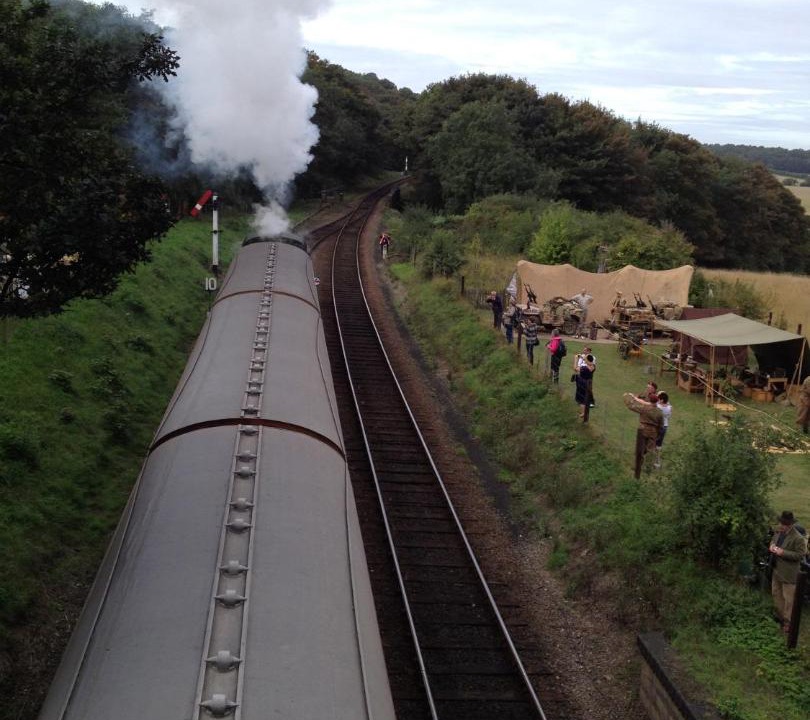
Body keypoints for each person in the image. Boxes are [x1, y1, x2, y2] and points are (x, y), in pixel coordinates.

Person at [769, 511, 808, 635]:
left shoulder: (798, 538)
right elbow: (773, 541)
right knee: (776, 594)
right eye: (782, 523)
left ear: (790, 524)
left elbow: (800, 554)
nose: (782, 525)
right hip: (776, 569)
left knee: (789, 599)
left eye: (785, 524)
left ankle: (788, 622)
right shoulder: (778, 532)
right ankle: (780, 616)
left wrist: (782, 553)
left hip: (789, 573)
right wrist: (772, 547)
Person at [623, 392, 664, 478]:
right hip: (653, 432)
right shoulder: (660, 412)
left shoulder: (644, 408)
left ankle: (637, 466)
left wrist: (628, 400)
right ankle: (648, 468)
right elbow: (661, 426)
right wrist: (658, 434)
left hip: (643, 430)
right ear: (657, 402)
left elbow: (631, 407)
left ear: (649, 400)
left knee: (640, 449)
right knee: (650, 450)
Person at [574, 354, 595, 422]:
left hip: (582, 383)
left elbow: (575, 368)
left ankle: (583, 413)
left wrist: (576, 359)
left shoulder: (584, 368)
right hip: (588, 383)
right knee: (587, 397)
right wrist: (584, 359)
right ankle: (588, 407)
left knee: (581, 399)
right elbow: (589, 363)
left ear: (587, 360)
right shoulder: (593, 367)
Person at [654, 392, 671, 468]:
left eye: (659, 399)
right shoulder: (670, 407)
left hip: (658, 426)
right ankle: (657, 462)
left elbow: (655, 403)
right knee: (659, 444)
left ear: (662, 400)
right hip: (665, 426)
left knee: (653, 442)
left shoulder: (658, 407)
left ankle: (653, 459)